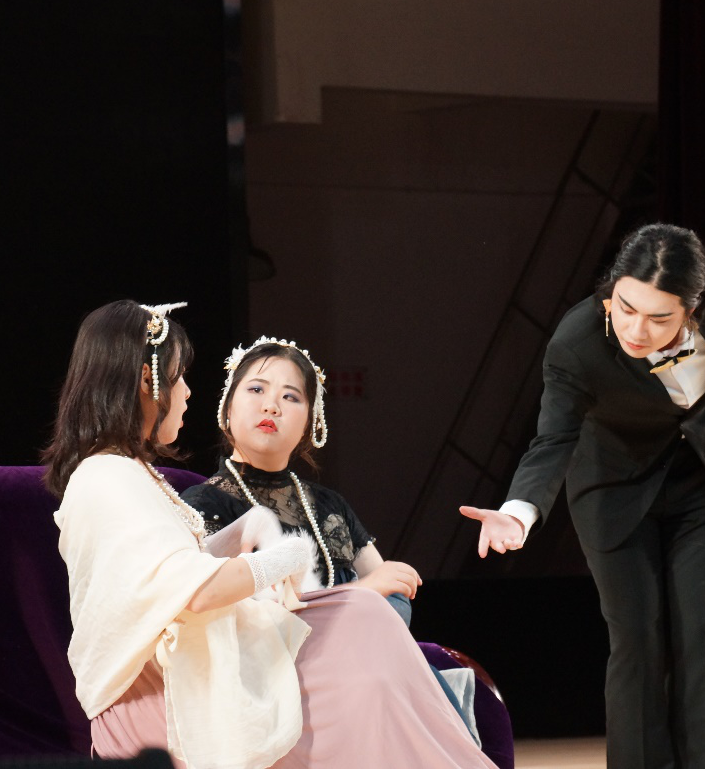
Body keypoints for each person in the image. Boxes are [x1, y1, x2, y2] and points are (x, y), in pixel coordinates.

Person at [46, 302, 494, 769]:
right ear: (147, 380)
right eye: (179, 378)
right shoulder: (110, 477)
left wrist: (249, 531)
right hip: (163, 698)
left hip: (188, 677)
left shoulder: (127, 473)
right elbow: (199, 592)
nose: (187, 391)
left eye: (291, 397)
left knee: (371, 624)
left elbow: (171, 575)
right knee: (363, 622)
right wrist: (290, 555)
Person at [460, 224, 705, 769]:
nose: (636, 329)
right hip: (613, 487)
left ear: (692, 309)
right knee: (637, 640)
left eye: (659, 318)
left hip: (700, 482)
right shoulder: (577, 344)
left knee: (695, 636)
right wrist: (519, 512)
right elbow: (553, 439)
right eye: (626, 307)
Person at [181, 337, 421, 626]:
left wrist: (377, 591)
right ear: (228, 407)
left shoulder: (330, 505)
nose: (271, 406)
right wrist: (359, 593)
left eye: (290, 397)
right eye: (256, 389)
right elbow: (226, 621)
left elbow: (392, 594)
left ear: (309, 422)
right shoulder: (203, 504)